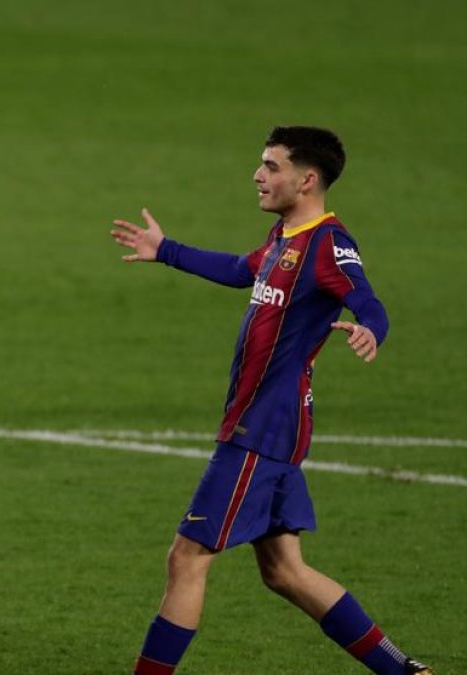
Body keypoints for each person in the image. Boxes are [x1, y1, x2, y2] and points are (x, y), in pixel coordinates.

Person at [111, 126, 432, 675]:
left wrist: (371, 328)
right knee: (284, 570)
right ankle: (404, 670)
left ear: (307, 179)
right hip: (269, 424)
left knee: (186, 559)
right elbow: (243, 270)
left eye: (271, 166)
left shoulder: (329, 242)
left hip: (261, 427)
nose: (259, 175)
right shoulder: (285, 235)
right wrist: (166, 251)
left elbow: (367, 298)